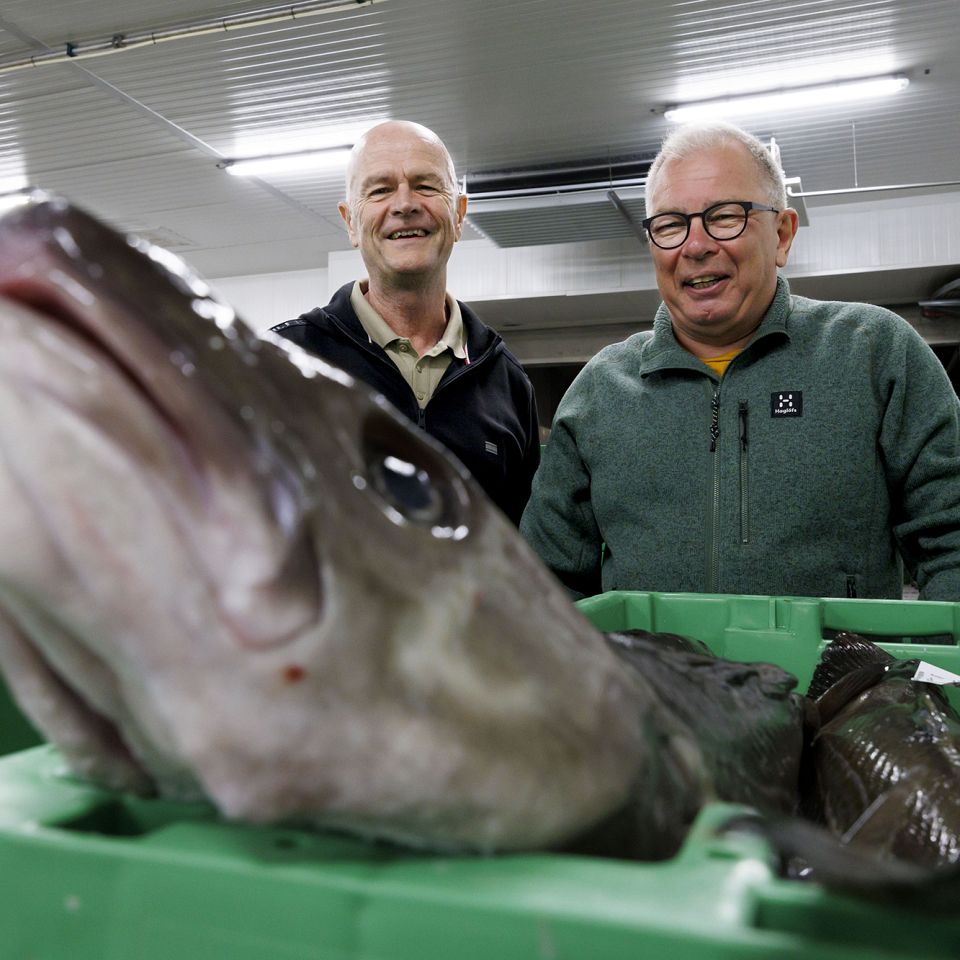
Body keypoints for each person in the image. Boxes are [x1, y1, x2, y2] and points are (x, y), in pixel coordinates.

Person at [520, 120, 960, 601]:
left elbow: (952, 542)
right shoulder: (601, 393)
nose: (695, 245)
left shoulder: (874, 353)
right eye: (670, 225)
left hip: (839, 676)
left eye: (725, 216)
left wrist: (925, 674)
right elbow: (543, 583)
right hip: (654, 678)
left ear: (783, 234)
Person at [272, 120, 540, 525]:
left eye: (426, 185)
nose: (404, 204)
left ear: (459, 213)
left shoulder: (507, 383)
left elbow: (523, 553)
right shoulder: (286, 362)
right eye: (380, 190)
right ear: (350, 223)